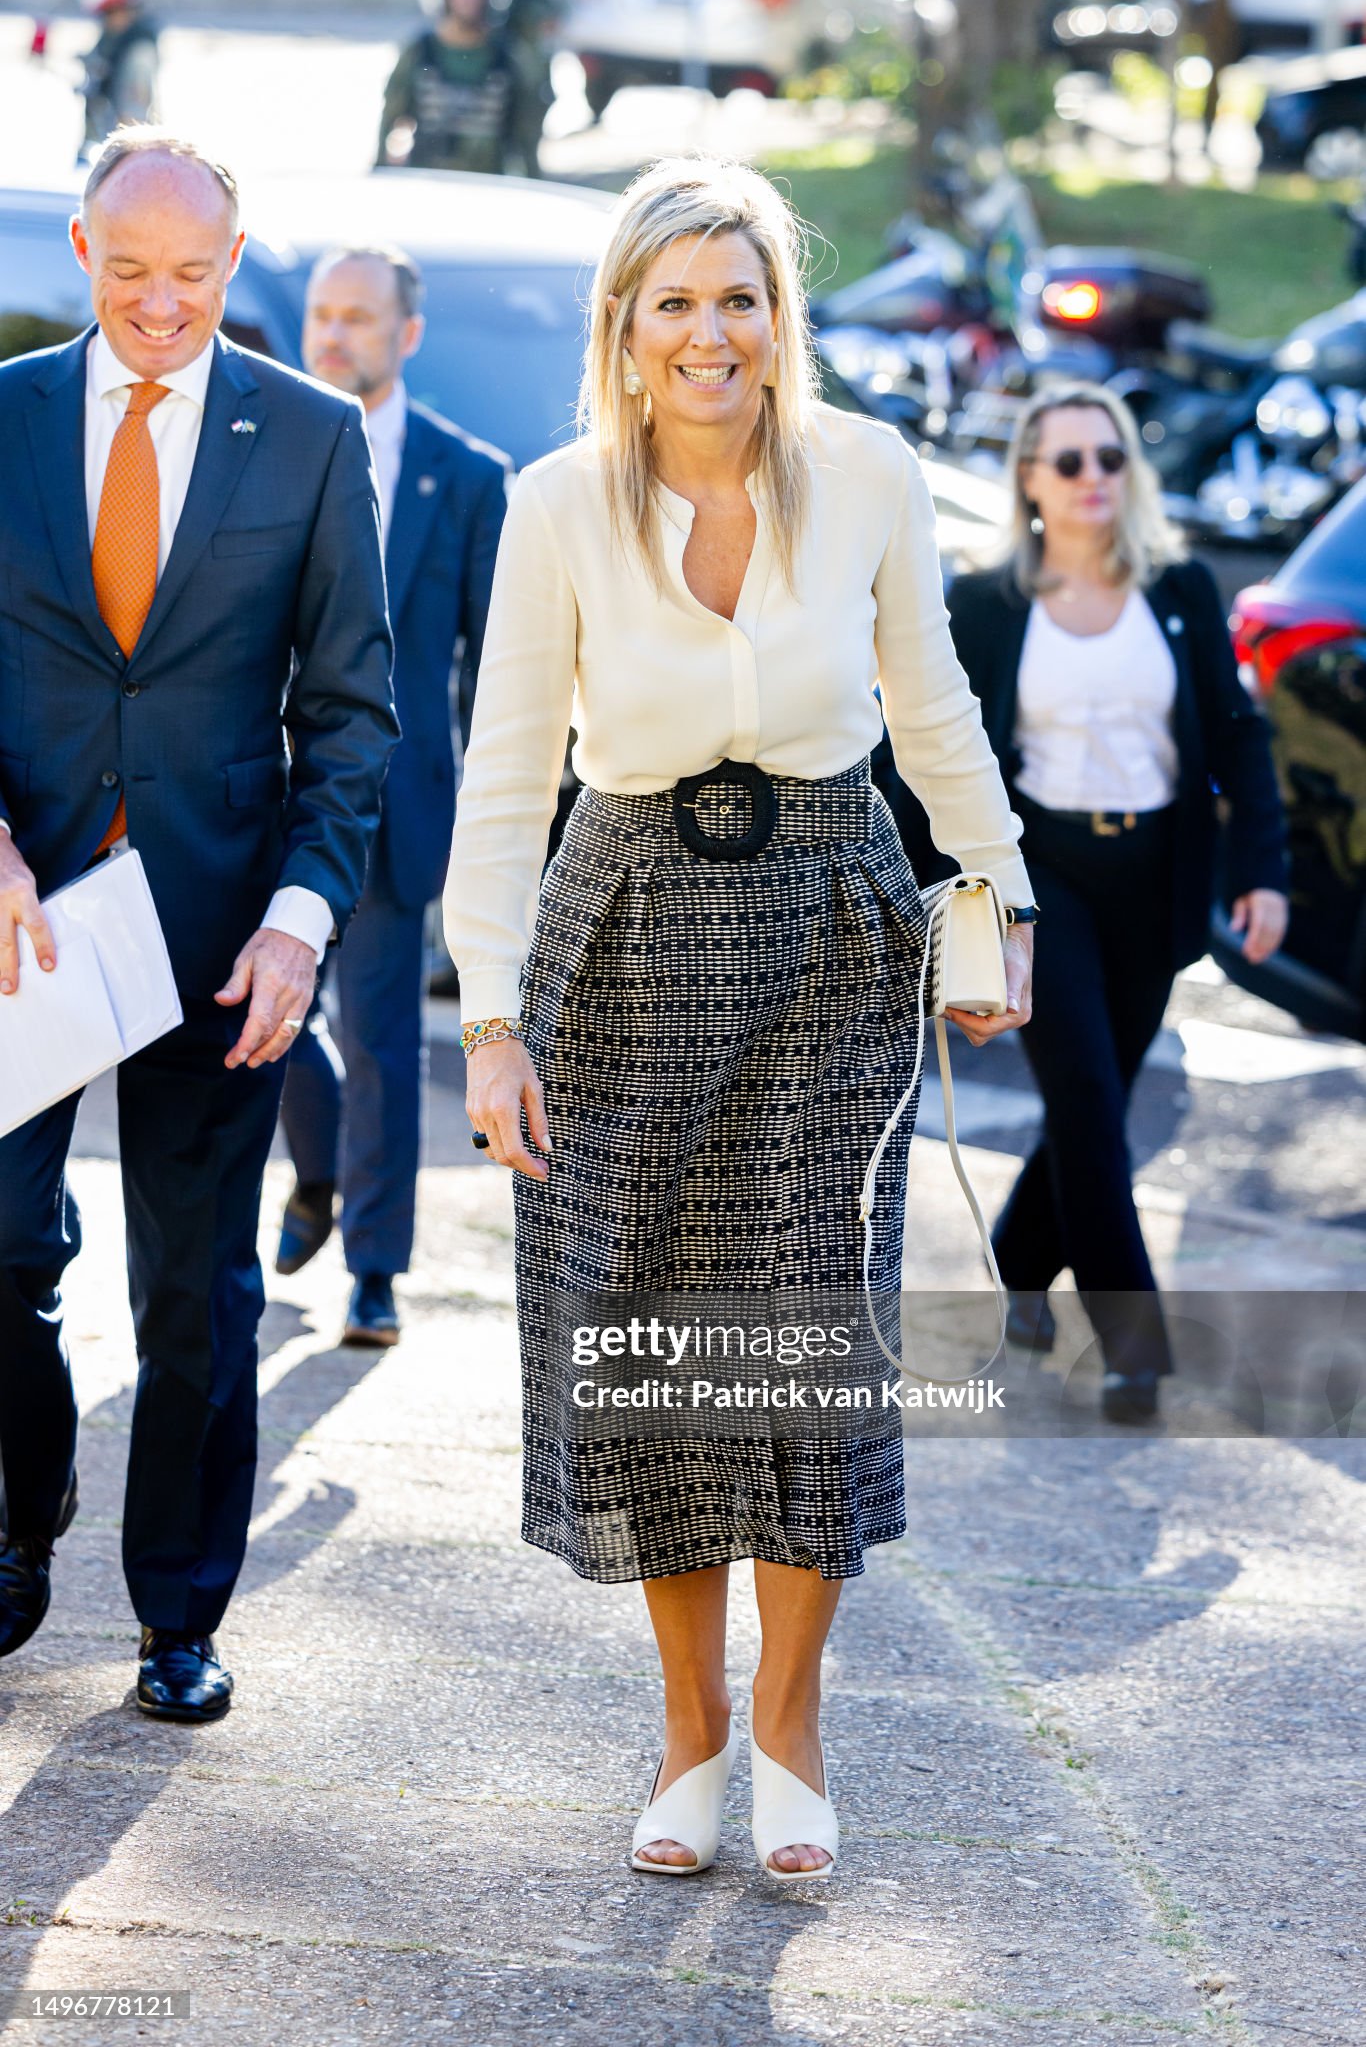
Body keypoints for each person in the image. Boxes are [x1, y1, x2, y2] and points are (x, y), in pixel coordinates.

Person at [443, 158, 1036, 1882]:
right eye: (675, 301)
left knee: (809, 1339)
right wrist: (492, 1023)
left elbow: (927, 698)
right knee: (646, 1355)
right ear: (624, 333)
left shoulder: (867, 473)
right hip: (619, 939)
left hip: (831, 937)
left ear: (783, 320)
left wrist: (988, 898)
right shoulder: (556, 502)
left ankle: (790, 1718)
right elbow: (501, 780)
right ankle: (686, 1727)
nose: (711, 333)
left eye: (741, 296)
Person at [0, 131, 398, 1716]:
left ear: (235, 265)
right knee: (5, 1248)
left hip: (219, 936)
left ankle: (176, 1617)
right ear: (83, 247)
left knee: (197, 1294)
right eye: (128, 267)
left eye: (192, 274)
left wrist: (302, 920)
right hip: (23, 934)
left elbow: (353, 715)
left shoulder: (304, 439)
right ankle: (19, 1527)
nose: (158, 304)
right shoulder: (7, 418)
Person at [945, 381, 1289, 1422]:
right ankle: (1133, 1340)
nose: (1093, 477)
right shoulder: (987, 606)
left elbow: (1237, 737)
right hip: (1041, 876)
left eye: (1109, 457)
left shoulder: (1177, 588)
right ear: (1029, 480)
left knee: (1091, 1097)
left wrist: (1262, 870)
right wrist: (945, 907)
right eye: (1069, 460)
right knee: (1091, 1097)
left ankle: (1014, 1265)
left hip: (1157, 876)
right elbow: (936, 755)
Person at [275, 244, 511, 1348]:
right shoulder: (258, 445)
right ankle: (316, 1170)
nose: (334, 334)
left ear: (406, 333)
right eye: (322, 313)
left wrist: (491, 821)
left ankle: (373, 1269)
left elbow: (498, 671)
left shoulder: (466, 479)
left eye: (358, 317)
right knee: (258, 1020)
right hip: (258, 795)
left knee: (378, 1037)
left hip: (389, 805)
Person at [376, 0, 546, 177]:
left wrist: (533, 178)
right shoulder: (420, 51)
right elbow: (391, 112)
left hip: (487, 180)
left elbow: (527, 129)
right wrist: (380, 165)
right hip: (427, 176)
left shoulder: (508, 56)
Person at [78, 0, 159, 161]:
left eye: (109, 14)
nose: (106, 21)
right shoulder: (113, 41)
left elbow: (136, 101)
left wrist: (126, 145)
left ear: (124, 12)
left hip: (125, 143)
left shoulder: (138, 52)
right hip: (105, 135)